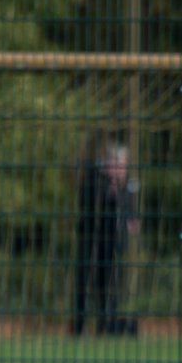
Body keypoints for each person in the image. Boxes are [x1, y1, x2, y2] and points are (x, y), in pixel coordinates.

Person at [73, 137, 138, 336]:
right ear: (110, 163)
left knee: (108, 284)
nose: (121, 170)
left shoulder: (124, 186)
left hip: (112, 243)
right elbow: (87, 206)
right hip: (90, 239)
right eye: (119, 165)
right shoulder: (94, 179)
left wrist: (131, 220)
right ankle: (80, 326)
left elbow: (128, 211)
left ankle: (105, 325)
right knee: (84, 281)